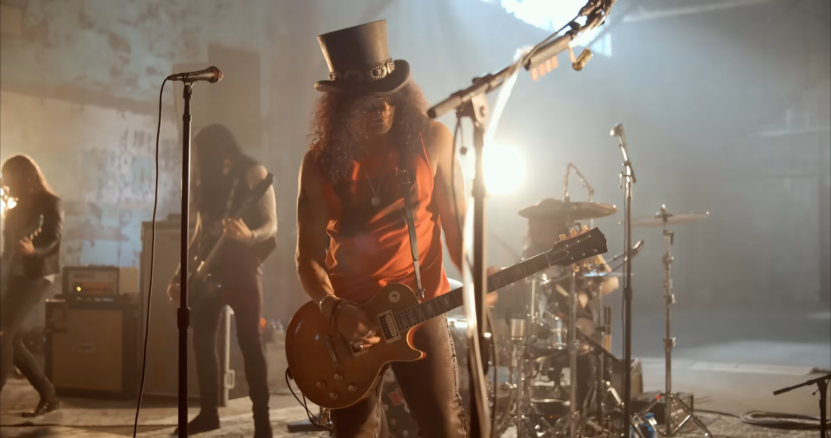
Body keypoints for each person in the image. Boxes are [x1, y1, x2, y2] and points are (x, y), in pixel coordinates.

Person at [296, 20, 469, 438]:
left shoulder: (433, 139)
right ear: (340, 108)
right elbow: (308, 260)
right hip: (351, 321)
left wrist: (481, 273)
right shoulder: (319, 164)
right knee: (352, 433)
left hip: (422, 306)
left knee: (444, 426)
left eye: (388, 98)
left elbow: (458, 228)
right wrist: (335, 309)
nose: (380, 110)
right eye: (364, 103)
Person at [166, 124, 277, 437]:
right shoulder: (206, 181)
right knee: (202, 341)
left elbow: (273, 224)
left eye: (200, 156)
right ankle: (209, 413)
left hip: (242, 269)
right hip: (209, 274)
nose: (198, 164)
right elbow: (200, 233)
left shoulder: (254, 172)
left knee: (249, 343)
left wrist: (250, 235)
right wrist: (179, 276)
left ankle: (262, 423)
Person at [511, 197, 619, 406]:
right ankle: (529, 411)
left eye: (544, 220)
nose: (537, 226)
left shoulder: (578, 247)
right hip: (542, 327)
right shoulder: (530, 254)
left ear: (559, 223)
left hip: (578, 326)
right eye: (534, 221)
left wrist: (587, 294)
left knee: (584, 349)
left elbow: (612, 281)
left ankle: (588, 411)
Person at [0, 154, 61, 417]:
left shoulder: (50, 202)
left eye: (8, 179)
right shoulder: (12, 212)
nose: (5, 185)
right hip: (15, 276)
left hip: (37, 276)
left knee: (3, 332)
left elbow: (54, 239)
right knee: (12, 339)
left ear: (22, 176)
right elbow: (6, 252)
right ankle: (48, 394)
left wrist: (33, 250)